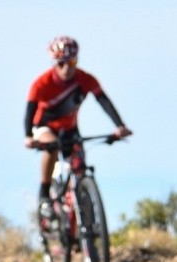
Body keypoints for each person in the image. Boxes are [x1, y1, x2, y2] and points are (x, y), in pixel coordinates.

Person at [24, 35, 132, 230]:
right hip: (44, 127)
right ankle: (44, 194)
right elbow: (29, 111)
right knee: (52, 148)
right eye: (61, 63)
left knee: (80, 169)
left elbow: (103, 101)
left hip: (70, 129)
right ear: (54, 63)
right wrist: (28, 137)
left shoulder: (85, 79)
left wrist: (120, 126)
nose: (67, 68)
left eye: (72, 62)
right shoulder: (41, 83)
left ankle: (84, 231)